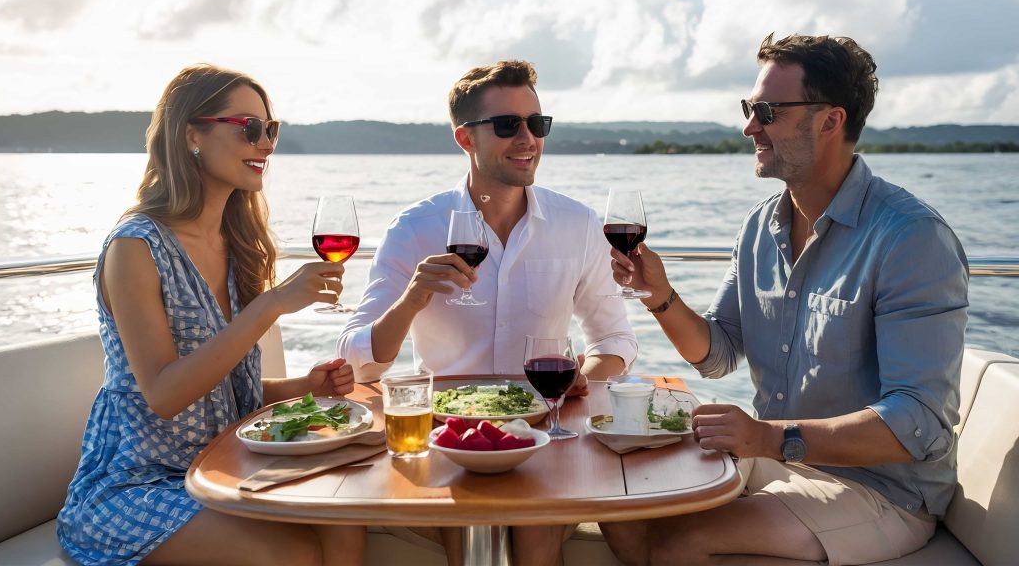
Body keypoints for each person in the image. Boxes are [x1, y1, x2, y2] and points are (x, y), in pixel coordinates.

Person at [601, 34, 969, 566]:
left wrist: (767, 438)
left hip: (883, 491)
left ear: (830, 121)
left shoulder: (911, 239)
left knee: (680, 539)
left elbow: (916, 422)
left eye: (767, 111)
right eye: (750, 108)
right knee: (623, 497)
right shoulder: (759, 227)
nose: (750, 126)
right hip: (778, 458)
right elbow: (719, 352)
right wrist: (660, 296)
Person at [57, 64, 366, 566]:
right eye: (248, 127)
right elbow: (165, 394)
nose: (265, 144)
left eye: (271, 130)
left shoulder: (241, 244)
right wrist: (272, 304)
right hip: (139, 486)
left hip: (225, 467)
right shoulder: (136, 247)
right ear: (191, 135)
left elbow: (224, 397)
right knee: (295, 555)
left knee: (346, 525)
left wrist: (303, 389)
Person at [337, 59, 638, 566]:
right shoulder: (415, 228)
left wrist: (582, 378)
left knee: (538, 541)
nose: (528, 139)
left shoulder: (579, 224)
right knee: (467, 528)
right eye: (507, 125)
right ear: (465, 138)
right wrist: (413, 298)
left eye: (536, 124)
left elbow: (615, 342)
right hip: (448, 436)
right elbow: (357, 362)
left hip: (545, 430)